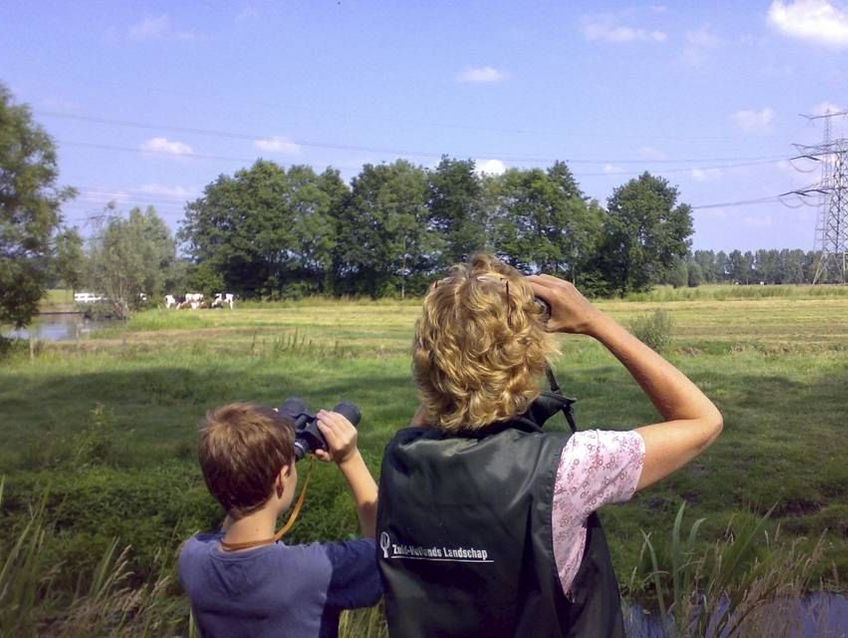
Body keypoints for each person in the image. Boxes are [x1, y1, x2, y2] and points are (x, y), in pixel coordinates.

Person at [376, 255, 723, 637]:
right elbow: (702, 421)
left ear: (427, 361)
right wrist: (594, 320)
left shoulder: (401, 458)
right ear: (530, 356)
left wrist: (452, 344)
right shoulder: (567, 470)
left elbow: (431, 413)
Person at [179, 403, 381, 638]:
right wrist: (349, 459)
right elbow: (388, 553)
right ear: (282, 479)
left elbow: (230, 503)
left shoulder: (193, 558)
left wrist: (261, 449)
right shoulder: (316, 571)